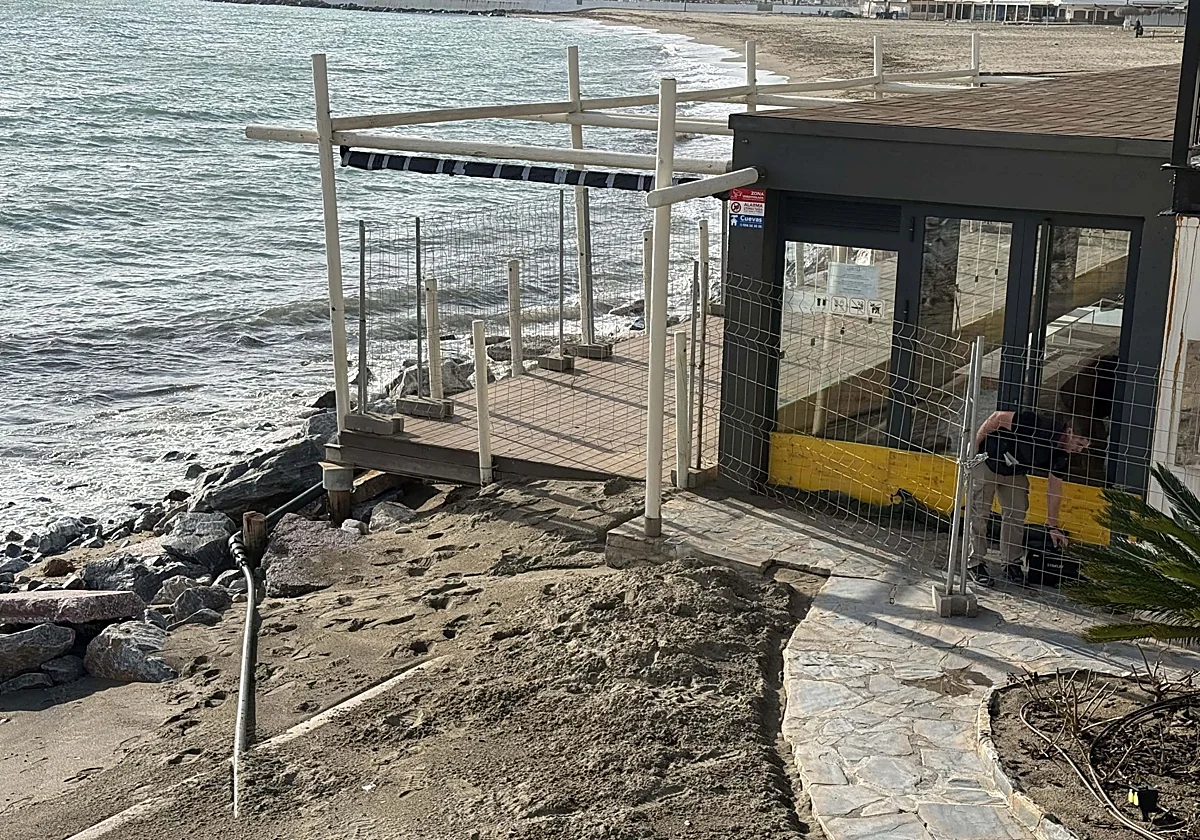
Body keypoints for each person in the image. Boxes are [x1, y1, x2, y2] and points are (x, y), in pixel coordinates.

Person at [967, 410, 1091, 586]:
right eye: (1079, 444)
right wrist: (975, 444)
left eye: (1083, 448)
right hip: (989, 459)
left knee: (1016, 513)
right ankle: (975, 563)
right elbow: (998, 417)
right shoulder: (1038, 424)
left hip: (1015, 470)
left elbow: (1054, 490)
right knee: (979, 513)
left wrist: (1053, 527)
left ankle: (1011, 563)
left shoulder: (1061, 454)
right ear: (1069, 432)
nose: (1078, 450)